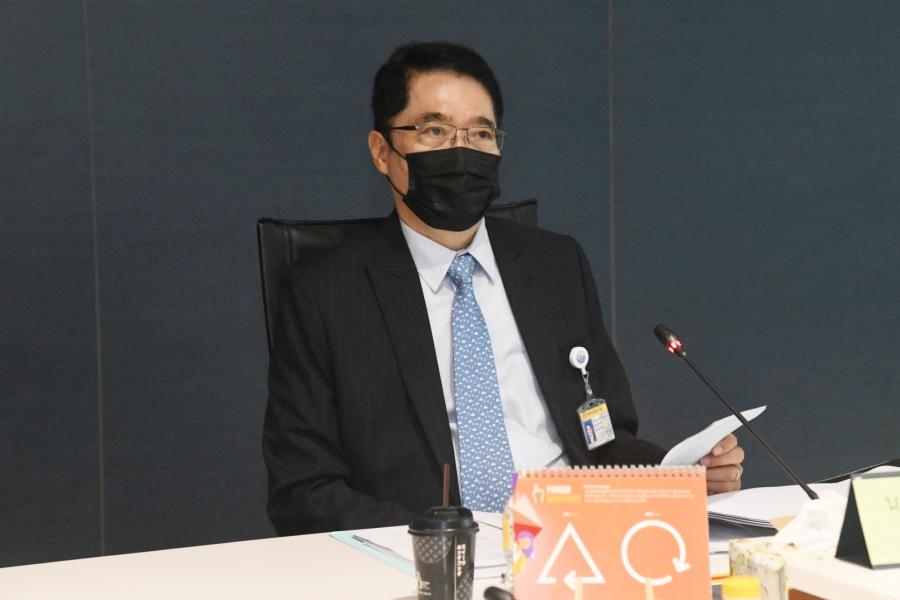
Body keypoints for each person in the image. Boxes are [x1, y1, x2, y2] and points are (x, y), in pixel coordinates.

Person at [263, 41, 744, 535]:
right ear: (381, 151)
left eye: (480, 133)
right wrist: (447, 541)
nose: (462, 151)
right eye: (434, 130)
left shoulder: (555, 265)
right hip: (432, 552)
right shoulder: (327, 293)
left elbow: (605, 442)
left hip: (576, 540)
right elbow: (304, 492)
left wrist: (678, 477)